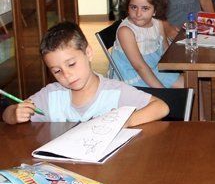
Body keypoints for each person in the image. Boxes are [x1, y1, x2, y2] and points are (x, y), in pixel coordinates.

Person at [2, 22, 168, 125]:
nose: (67, 75)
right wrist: (14, 113)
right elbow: (8, 115)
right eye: (57, 71)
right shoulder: (50, 96)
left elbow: (161, 107)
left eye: (71, 64)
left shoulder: (115, 92)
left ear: (88, 53)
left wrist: (124, 122)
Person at [111, 0, 184, 88]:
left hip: (154, 68)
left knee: (189, 83)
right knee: (181, 90)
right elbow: (140, 67)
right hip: (133, 76)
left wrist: (180, 67)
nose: (138, 14)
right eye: (133, 7)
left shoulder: (157, 23)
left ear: (155, 10)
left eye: (145, 8)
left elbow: (165, 50)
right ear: (128, 7)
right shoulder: (125, 31)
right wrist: (162, 91)